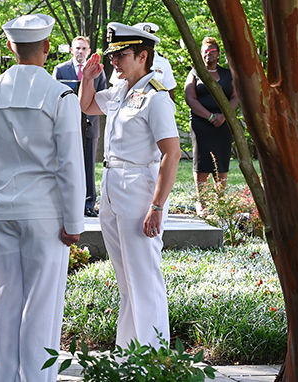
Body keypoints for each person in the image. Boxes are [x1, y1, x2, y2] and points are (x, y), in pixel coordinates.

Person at [0, 14, 85, 381]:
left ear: (9, 47)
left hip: (1, 212)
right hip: (45, 214)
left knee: (2, 305)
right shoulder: (60, 95)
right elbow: (69, 163)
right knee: (42, 309)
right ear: (48, 48)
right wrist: (74, 222)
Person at [77, 22, 181, 349]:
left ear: (142, 56)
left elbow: (172, 153)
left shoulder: (156, 98)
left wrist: (157, 206)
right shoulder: (122, 91)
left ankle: (153, 358)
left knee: (144, 278)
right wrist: (87, 80)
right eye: (113, 55)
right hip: (113, 186)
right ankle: (128, 354)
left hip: (139, 188)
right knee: (127, 281)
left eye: (121, 55)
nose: (114, 61)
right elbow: (87, 105)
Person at [52, 36, 107, 217]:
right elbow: (54, 97)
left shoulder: (98, 71)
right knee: (66, 162)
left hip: (90, 124)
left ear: (89, 51)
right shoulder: (60, 70)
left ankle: (89, 203)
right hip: (66, 125)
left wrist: (88, 117)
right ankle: (66, 203)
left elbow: (102, 96)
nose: (80, 52)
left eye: (84, 49)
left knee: (88, 164)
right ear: (71, 50)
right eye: (77, 48)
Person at [184, 37, 238, 215]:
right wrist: (209, 116)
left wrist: (224, 116)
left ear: (218, 53)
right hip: (201, 123)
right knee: (202, 161)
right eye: (205, 51)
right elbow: (190, 98)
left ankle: (220, 201)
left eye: (212, 51)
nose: (208, 54)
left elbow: (236, 96)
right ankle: (202, 203)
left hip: (223, 123)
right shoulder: (195, 73)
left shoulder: (228, 73)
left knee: (221, 160)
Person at [108, 23, 177, 101]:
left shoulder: (163, 62)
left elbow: (170, 92)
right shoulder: (123, 62)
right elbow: (115, 88)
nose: (114, 61)